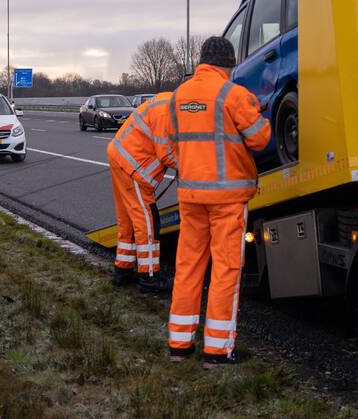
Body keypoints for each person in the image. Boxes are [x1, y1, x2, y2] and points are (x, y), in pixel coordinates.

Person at [165, 37, 271, 367]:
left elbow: (172, 142)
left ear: (202, 61)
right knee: (226, 270)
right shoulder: (233, 93)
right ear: (227, 63)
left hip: (191, 196)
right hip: (226, 198)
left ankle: (179, 344)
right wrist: (259, 114)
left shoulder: (179, 96)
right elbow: (260, 138)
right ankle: (218, 348)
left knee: (188, 267)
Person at [106, 91, 175, 293]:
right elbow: (167, 154)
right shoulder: (167, 111)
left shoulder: (166, 101)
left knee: (127, 219)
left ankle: (123, 269)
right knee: (147, 221)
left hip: (122, 158)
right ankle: (149, 276)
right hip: (133, 167)